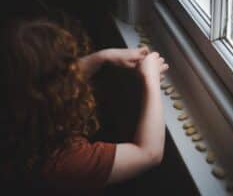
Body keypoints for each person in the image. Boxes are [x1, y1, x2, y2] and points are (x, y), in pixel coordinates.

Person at [0, 16, 168, 195]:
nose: (76, 75)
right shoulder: (62, 162)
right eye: (70, 70)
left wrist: (102, 57)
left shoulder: (14, 110)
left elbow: (39, 82)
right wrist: (151, 79)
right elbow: (148, 154)